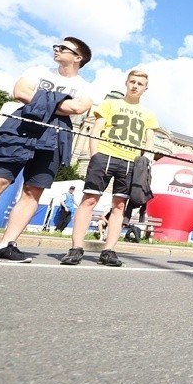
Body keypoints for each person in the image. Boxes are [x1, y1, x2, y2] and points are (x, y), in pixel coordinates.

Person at [0, 37, 93, 263]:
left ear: (78, 57)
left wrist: (39, 99)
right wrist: (59, 103)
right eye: (58, 46)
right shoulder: (38, 70)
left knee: (33, 191)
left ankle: (7, 244)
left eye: (64, 48)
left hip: (54, 136)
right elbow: (20, 91)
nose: (57, 49)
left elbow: (78, 107)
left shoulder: (85, 86)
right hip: (20, 127)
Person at [60, 69, 159, 266]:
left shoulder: (148, 114)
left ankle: (109, 250)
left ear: (145, 89)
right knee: (89, 200)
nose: (135, 86)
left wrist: (144, 160)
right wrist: (95, 155)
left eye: (140, 83)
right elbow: (97, 129)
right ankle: (76, 248)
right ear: (126, 83)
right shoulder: (109, 104)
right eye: (132, 81)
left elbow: (149, 140)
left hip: (130, 161)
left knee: (120, 206)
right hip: (105, 155)